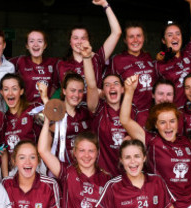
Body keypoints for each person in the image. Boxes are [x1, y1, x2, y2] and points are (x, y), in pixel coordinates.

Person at [82, 41, 135, 176]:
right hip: (103, 175)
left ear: (123, 89)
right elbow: (92, 86)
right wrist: (87, 58)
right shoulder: (98, 109)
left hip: (128, 175)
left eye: (116, 83)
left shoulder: (133, 110)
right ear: (103, 91)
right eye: (107, 85)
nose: (112, 87)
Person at [0, 30, 58, 108]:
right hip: (23, 110)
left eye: (40, 41)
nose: (35, 44)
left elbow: (58, 82)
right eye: (31, 41)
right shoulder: (19, 61)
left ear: (45, 45)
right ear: (27, 46)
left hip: (44, 109)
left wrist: (45, 98)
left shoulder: (54, 63)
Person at [57, 0, 121, 88]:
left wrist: (105, 4)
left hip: (94, 103)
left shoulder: (97, 59)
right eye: (75, 38)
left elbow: (116, 32)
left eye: (83, 38)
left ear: (89, 41)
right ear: (70, 42)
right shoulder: (61, 64)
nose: (79, 41)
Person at [155, 0, 191, 108]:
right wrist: (164, 54)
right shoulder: (159, 64)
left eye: (178, 34)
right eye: (170, 35)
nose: (175, 37)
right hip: (172, 114)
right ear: (163, 40)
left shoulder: (188, 54)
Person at [38, 71, 91, 166]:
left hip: (84, 166)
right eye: (72, 90)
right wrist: (45, 98)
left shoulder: (85, 112)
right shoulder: (55, 111)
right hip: (61, 169)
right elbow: (54, 122)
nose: (76, 95)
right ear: (64, 91)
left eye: (80, 91)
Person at [111, 22, 158, 126]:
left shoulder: (148, 56)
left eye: (139, 36)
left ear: (144, 38)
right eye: (131, 36)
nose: (135, 40)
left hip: (152, 113)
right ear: (125, 40)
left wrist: (163, 54)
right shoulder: (117, 60)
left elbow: (165, 53)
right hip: (131, 115)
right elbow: (110, 87)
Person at [0, 73, 40, 177]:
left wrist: (44, 97)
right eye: (6, 89)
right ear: (1, 92)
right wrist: (6, 179)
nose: (10, 93)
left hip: (34, 168)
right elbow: (3, 152)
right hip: (13, 172)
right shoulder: (1, 119)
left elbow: (52, 124)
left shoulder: (33, 110)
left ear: (21, 91)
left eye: (14, 88)